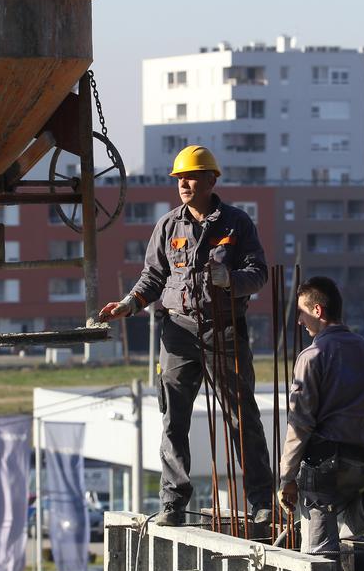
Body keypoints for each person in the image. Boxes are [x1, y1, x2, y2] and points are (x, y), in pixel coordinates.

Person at [100, 145, 273, 527]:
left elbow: (259, 272)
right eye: (179, 178)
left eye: (191, 177)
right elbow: (153, 276)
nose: (184, 184)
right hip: (178, 331)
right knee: (173, 419)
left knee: (241, 418)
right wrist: (131, 303)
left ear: (212, 180)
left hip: (224, 330)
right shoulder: (167, 226)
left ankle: (261, 500)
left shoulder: (236, 224)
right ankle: (174, 502)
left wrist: (233, 281)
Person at [278, 276, 364, 569]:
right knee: (346, 526)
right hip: (360, 462)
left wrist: (286, 478)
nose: (299, 322)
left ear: (317, 310)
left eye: (303, 313)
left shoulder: (312, 356)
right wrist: (352, 412)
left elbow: (300, 424)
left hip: (322, 467)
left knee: (319, 555)